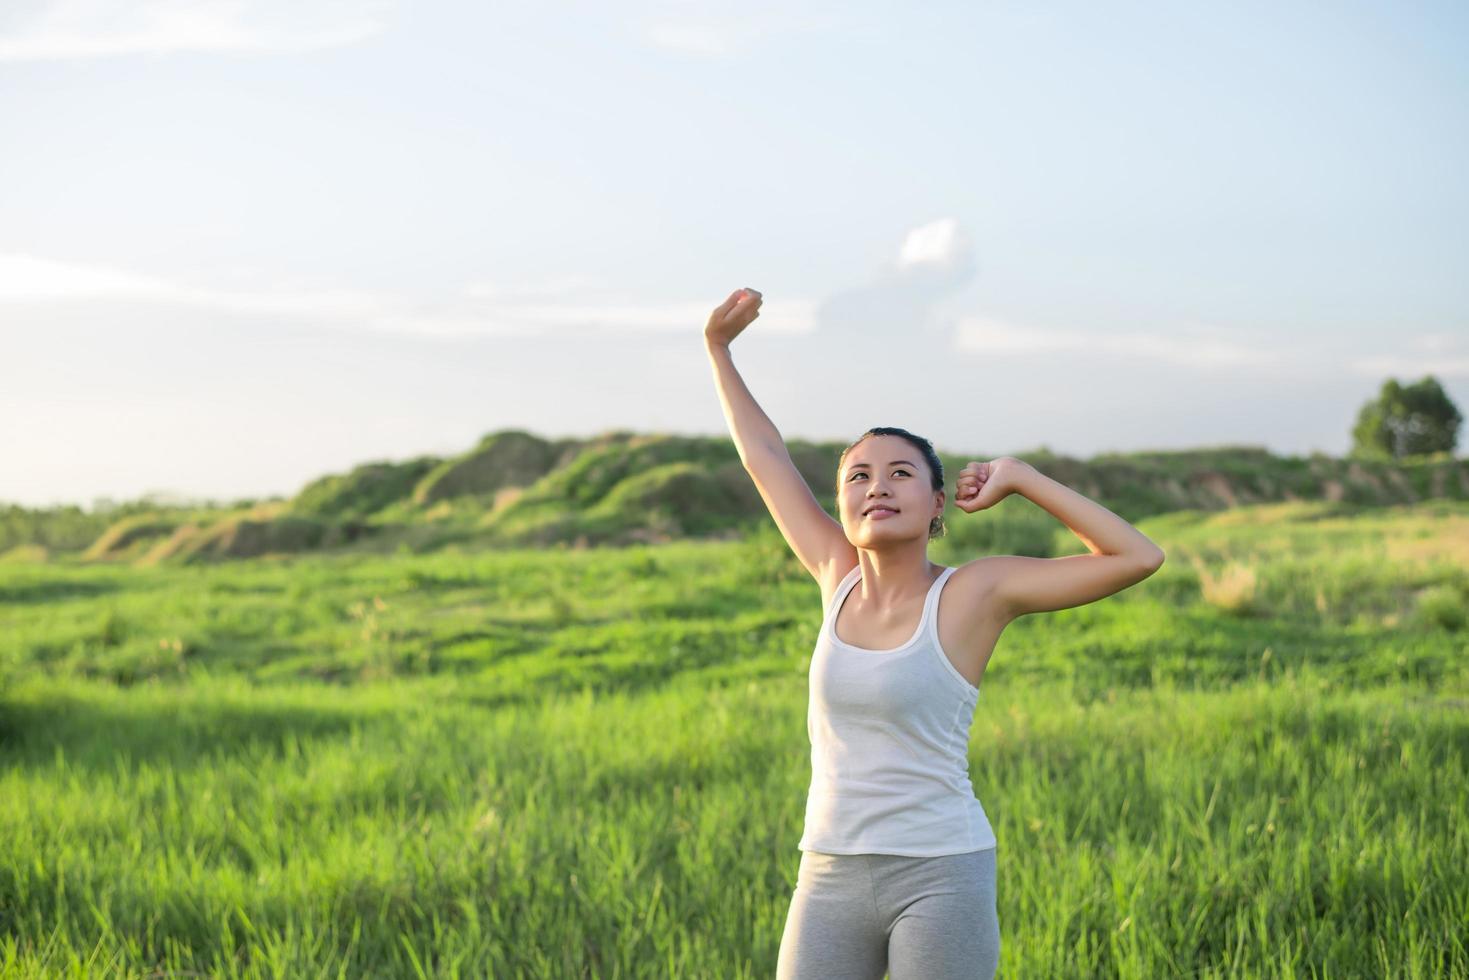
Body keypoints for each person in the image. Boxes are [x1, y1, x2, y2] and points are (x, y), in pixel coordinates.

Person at [703, 287, 1167, 979]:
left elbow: (1136, 556)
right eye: (857, 476)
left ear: (936, 503)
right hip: (829, 871)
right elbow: (764, 457)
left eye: (899, 474)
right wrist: (717, 348)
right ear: (840, 502)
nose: (876, 487)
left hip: (940, 873)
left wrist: (1022, 478)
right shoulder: (835, 575)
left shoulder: (973, 594)